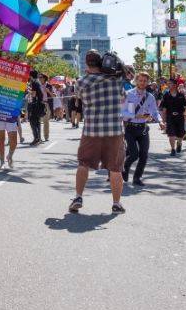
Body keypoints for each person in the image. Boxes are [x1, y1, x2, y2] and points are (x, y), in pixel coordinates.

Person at [69, 50, 127, 214]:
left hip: (92, 131)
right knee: (116, 168)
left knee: (83, 164)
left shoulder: (81, 82)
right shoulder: (115, 80)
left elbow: (78, 97)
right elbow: (123, 98)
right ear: (101, 62)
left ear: (87, 64)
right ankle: (116, 203)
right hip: (115, 131)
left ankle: (78, 197)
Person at [122, 72, 163, 186]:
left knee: (144, 155)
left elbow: (155, 111)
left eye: (145, 81)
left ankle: (137, 178)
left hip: (143, 128)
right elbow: (124, 112)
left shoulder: (150, 97)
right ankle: (125, 167)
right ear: (136, 81)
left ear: (148, 82)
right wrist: (136, 116)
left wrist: (160, 121)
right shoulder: (129, 94)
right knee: (133, 154)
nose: (143, 83)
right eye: (140, 80)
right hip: (130, 128)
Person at [160, 79, 186, 155]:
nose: (168, 85)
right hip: (170, 117)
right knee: (171, 133)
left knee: (181, 133)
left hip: (180, 116)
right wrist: (163, 121)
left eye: (170, 84)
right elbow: (164, 109)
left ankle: (179, 144)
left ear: (175, 85)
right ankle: (173, 149)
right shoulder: (166, 95)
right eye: (168, 83)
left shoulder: (181, 95)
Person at [26, 73, 45, 145]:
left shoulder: (34, 82)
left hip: (35, 105)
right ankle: (39, 138)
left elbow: (34, 94)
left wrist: (28, 91)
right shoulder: (38, 82)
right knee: (37, 122)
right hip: (39, 104)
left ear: (30, 76)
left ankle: (36, 138)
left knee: (32, 122)